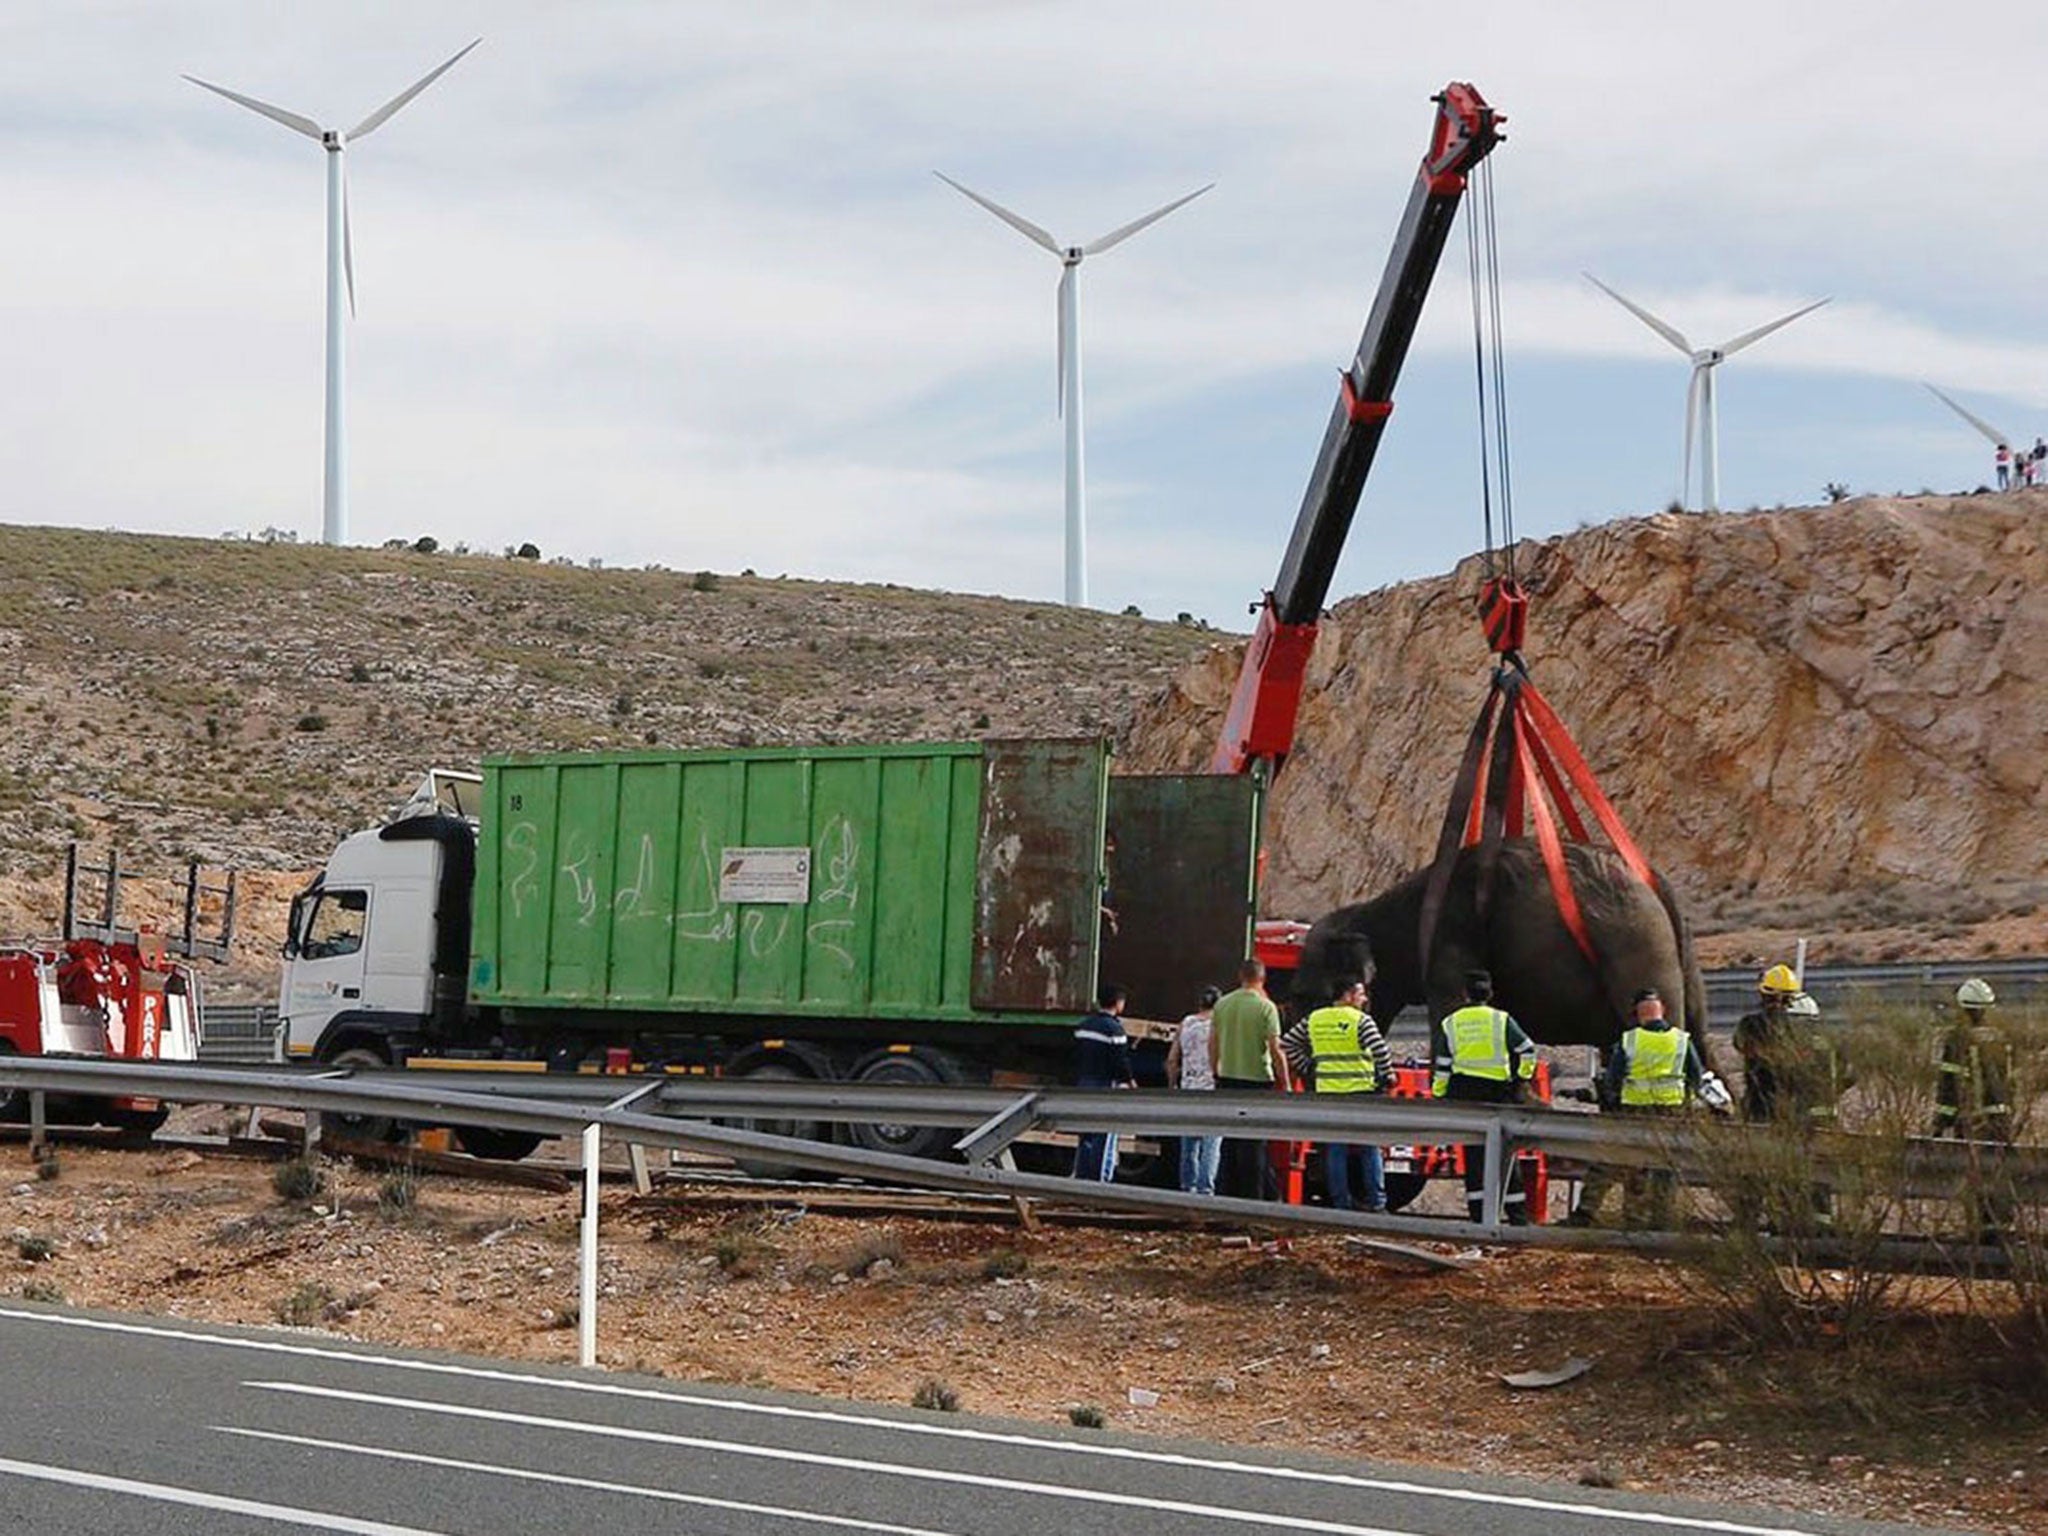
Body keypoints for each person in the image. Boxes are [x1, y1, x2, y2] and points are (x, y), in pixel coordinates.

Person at [1569, 988, 1702, 1228]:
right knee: (1665, 1166)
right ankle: (1662, 1219)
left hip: (1634, 1112)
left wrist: (1611, 1099)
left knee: (1626, 1163)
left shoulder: (1630, 1040)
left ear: (1637, 1015)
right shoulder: (1681, 1040)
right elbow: (1696, 1076)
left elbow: (1613, 1079)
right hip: (1671, 1112)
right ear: (1664, 1011)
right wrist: (1685, 1099)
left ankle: (1629, 1218)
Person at [1431, 970, 1537, 1224]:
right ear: (1489, 994)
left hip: (1466, 1097)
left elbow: (1443, 1065)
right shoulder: (1501, 1020)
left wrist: (1439, 1093)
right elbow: (1527, 1050)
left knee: (1475, 1158)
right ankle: (1518, 1216)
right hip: (1499, 1095)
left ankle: (1480, 1218)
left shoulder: (1451, 1023)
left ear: (1465, 994)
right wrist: (1520, 1079)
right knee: (1507, 1155)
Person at [1282, 978, 1392, 1212]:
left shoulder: (1315, 1019)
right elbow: (1381, 1052)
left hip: (1328, 1092)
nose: (1364, 1000)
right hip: (1361, 1091)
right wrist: (1386, 1076)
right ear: (1349, 995)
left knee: (1335, 1148)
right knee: (1369, 1147)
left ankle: (1341, 1203)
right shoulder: (1361, 1021)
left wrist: (1309, 1067)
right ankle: (1377, 1202)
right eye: (1361, 994)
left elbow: (1288, 1044)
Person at [1934, 977, 2016, 1241]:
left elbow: (1949, 1085)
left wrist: (1941, 1121)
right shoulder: (2001, 1037)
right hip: (2002, 1118)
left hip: (1973, 1120)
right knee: (1999, 1172)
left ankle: (1980, 1230)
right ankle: (2000, 1227)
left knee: (1975, 1174)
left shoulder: (1957, 1039)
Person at [1209, 958, 1290, 1200]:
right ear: (1262, 979)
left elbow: (1212, 1042)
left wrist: (1215, 1070)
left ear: (1240, 976)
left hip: (1227, 1077)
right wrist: (1283, 1081)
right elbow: (1275, 1048)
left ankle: (1226, 1196)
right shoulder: (1266, 1007)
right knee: (1254, 1144)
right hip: (1256, 1080)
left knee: (1230, 1142)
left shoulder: (1222, 1004)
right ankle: (1252, 1201)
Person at [1071, 982, 1134, 1182]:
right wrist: (1129, 1080)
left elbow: (1074, 1054)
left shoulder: (1083, 1026)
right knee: (1104, 1136)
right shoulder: (1115, 1030)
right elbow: (1120, 1061)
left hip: (1084, 1082)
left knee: (1086, 1135)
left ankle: (1081, 1178)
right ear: (1118, 1003)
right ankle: (1099, 1183)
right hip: (1105, 1085)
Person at [1165, 985, 1223, 1197]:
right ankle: (1205, 1189)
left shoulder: (1186, 1023)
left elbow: (1172, 1060)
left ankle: (1186, 1186)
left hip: (1188, 1088)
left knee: (1189, 1143)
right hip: (1211, 1088)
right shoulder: (1218, 1025)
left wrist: (1173, 1085)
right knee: (1211, 1142)